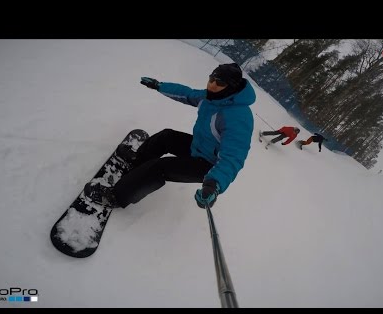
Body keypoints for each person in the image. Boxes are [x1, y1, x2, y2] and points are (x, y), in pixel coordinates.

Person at [84, 62, 256, 210]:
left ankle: (116, 197)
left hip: (210, 166)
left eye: (219, 83)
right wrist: (159, 85)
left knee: (160, 167)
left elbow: (233, 157)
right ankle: (137, 162)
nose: (211, 85)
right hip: (198, 148)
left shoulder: (238, 117)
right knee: (167, 136)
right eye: (211, 78)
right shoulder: (211, 97)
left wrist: (215, 183)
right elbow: (187, 93)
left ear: (231, 87)